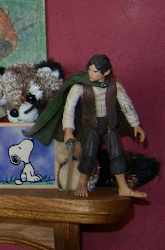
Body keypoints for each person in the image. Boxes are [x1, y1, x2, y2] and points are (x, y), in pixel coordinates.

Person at [61, 54, 146, 197]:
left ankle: (123, 187)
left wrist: (135, 124)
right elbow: (69, 109)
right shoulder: (79, 87)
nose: (90, 73)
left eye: (95, 71)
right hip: (90, 126)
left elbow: (127, 107)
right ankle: (82, 183)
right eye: (89, 70)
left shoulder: (115, 87)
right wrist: (68, 130)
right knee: (88, 155)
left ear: (106, 72)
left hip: (109, 125)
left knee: (117, 154)